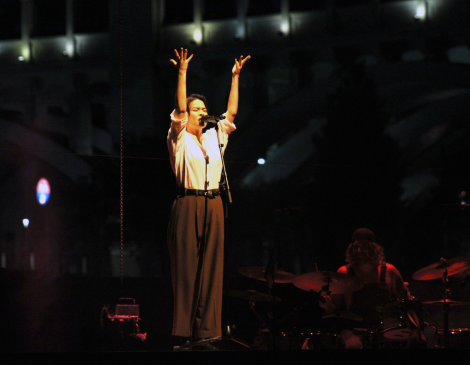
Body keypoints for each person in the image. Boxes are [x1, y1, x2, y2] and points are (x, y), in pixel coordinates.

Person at [166, 48, 250, 346]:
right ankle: (183, 332)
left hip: (213, 202)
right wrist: (182, 73)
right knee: (187, 268)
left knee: (212, 267)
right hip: (188, 203)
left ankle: (207, 332)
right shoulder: (178, 137)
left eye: (203, 109)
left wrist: (235, 77)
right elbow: (179, 105)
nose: (202, 112)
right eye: (196, 109)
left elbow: (232, 113)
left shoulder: (215, 136)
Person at [318, 228, 420, 348]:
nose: (359, 250)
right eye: (356, 247)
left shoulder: (389, 271)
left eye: (364, 246)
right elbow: (333, 311)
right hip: (354, 331)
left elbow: (404, 303)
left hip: (385, 331)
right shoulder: (344, 273)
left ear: (374, 248)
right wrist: (326, 304)